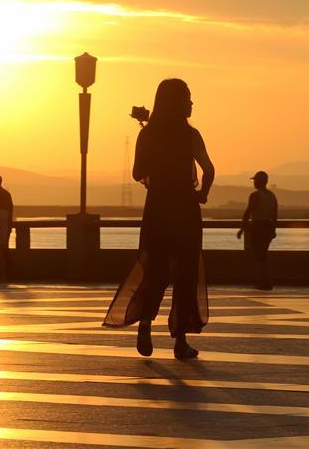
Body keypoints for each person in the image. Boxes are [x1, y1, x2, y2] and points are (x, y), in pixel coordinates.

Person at [104, 78, 214, 360]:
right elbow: (209, 169)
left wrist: (156, 180)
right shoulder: (191, 135)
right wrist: (202, 193)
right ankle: (180, 340)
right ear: (176, 102)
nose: (191, 103)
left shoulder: (148, 134)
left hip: (158, 207)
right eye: (187, 98)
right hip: (186, 209)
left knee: (156, 270)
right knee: (186, 273)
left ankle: (145, 323)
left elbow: (137, 172)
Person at [237, 171, 278, 290]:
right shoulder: (271, 196)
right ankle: (265, 280)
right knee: (263, 254)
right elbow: (275, 215)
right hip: (268, 226)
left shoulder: (255, 195)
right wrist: (273, 229)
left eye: (255, 180)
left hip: (258, 226)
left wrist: (242, 229)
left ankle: (264, 281)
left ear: (259, 182)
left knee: (259, 255)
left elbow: (247, 213)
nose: (254, 183)